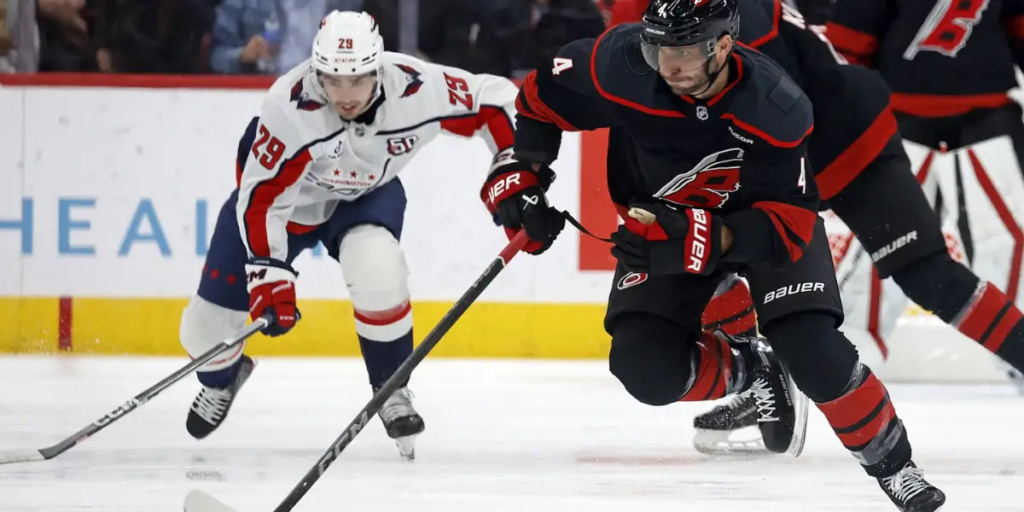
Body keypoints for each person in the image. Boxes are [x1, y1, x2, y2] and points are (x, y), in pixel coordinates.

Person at [486, 0, 945, 509]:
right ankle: (757, 369)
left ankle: (896, 468)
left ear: (723, 46)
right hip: (664, 228)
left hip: (759, 226)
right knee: (644, 369)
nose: (669, 66)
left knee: (812, 349)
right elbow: (541, 97)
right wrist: (523, 171)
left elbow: (791, 228)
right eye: (659, 49)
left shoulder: (775, 106)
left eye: (684, 51)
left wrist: (712, 237)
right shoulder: (619, 64)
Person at [178, 10, 518, 461]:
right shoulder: (288, 106)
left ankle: (392, 387)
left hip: (365, 197)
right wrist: (269, 274)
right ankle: (225, 377)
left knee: (379, 270)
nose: (344, 94)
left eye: (357, 79)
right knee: (200, 332)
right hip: (287, 208)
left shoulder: (415, 86)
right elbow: (261, 200)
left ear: (378, 68)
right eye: (332, 80)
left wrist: (515, 167)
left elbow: (495, 100)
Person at [692, 0, 1024, 459]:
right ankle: (795, 387)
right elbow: (840, 54)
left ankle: (794, 383)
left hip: (973, 124)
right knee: (871, 286)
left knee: (999, 260)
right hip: (907, 124)